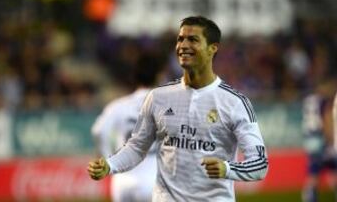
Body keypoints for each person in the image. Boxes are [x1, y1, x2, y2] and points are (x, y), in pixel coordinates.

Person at [88, 16, 268, 201]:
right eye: (180, 39)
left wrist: (228, 169)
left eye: (193, 40)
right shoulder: (159, 97)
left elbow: (259, 164)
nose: (183, 45)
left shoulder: (235, 103)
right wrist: (109, 165)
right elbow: (136, 148)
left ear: (212, 48)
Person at [91, 53, 165, 202]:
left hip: (123, 181)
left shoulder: (119, 106)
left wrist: (108, 161)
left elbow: (98, 131)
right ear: (159, 76)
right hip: (153, 180)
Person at [301, 81, 337, 202]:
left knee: (314, 171)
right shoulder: (324, 101)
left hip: (310, 140)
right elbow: (327, 119)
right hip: (321, 140)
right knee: (332, 166)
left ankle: (309, 196)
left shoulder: (308, 100)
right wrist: (331, 139)